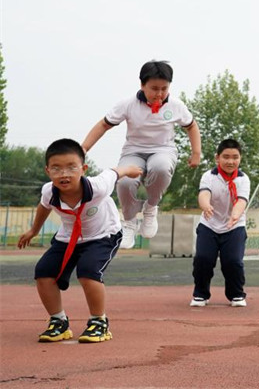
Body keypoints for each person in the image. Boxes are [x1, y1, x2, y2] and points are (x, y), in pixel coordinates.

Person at [17, 138, 143, 343]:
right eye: (56, 168)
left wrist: (130, 169)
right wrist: (33, 230)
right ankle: (59, 322)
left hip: (104, 234)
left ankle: (99, 322)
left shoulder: (98, 187)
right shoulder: (49, 191)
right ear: (47, 171)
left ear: (83, 168)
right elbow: (44, 206)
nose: (64, 174)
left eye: (71, 167)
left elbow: (114, 172)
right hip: (68, 237)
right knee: (43, 272)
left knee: (88, 272)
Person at [82, 60, 202, 248]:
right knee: (125, 181)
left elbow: (191, 126)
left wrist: (196, 152)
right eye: (154, 88)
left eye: (164, 88)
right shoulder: (128, 105)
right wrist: (84, 148)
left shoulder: (175, 105)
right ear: (142, 85)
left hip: (163, 149)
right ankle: (129, 221)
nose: (160, 94)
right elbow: (104, 124)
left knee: (160, 167)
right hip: (134, 151)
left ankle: (151, 207)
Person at [190, 139, 251, 308]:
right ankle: (200, 294)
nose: (230, 161)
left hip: (234, 226)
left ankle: (236, 294)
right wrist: (206, 205)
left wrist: (235, 215)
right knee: (203, 259)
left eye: (235, 157)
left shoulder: (243, 179)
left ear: (240, 158)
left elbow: (241, 201)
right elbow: (204, 194)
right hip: (209, 225)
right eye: (226, 157)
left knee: (233, 261)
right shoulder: (208, 176)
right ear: (217, 158)